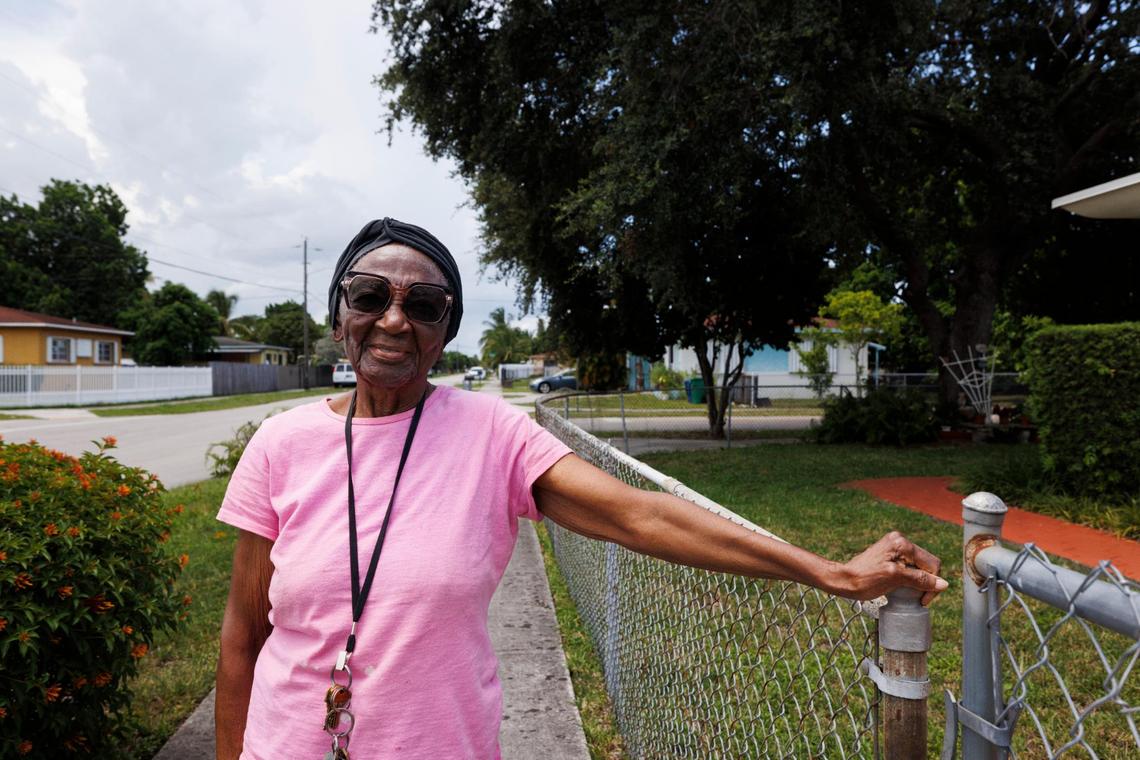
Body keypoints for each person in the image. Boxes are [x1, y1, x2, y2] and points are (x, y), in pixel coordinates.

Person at [215, 217, 947, 760]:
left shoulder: (490, 435)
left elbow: (642, 517)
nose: (395, 319)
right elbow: (243, 639)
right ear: (340, 313)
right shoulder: (281, 444)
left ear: (446, 329)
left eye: (425, 304)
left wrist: (829, 572)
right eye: (371, 295)